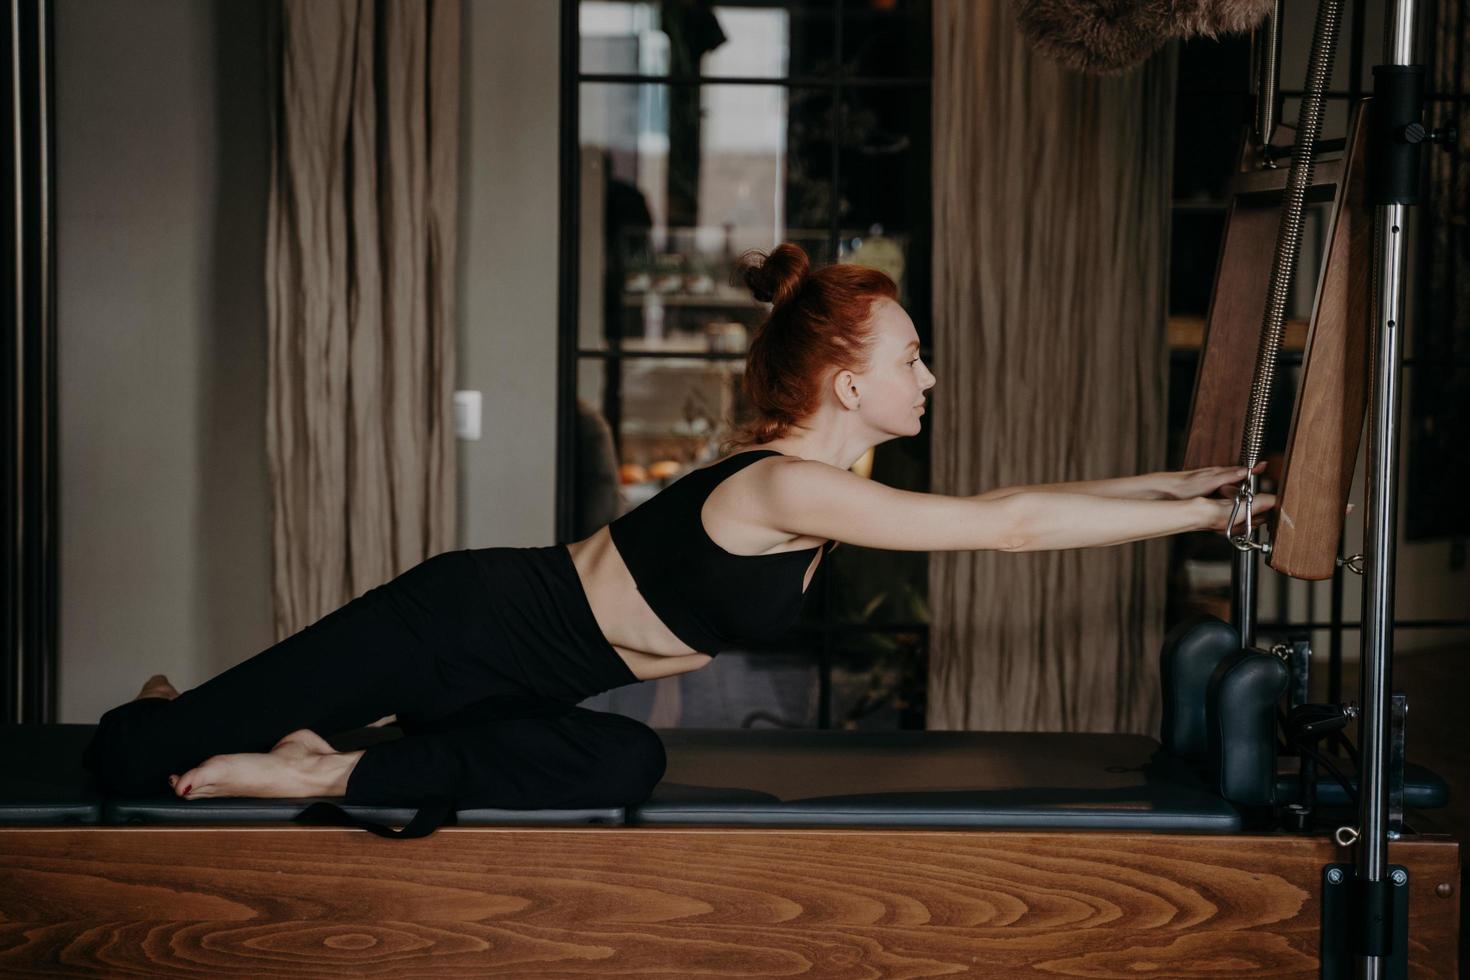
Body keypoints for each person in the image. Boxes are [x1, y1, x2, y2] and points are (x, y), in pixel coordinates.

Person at [83, 242, 1272, 824]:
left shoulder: (828, 476)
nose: (929, 374)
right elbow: (1005, 525)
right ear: (848, 385)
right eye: (909, 357)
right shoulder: (786, 488)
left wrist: (1188, 483)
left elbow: (1029, 493)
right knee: (136, 760)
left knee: (625, 763)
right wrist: (1213, 518)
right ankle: (182, 711)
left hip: (518, 686)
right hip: (458, 626)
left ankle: (327, 763)